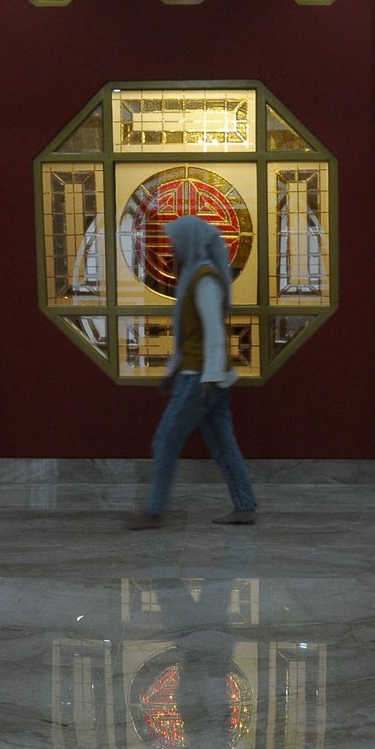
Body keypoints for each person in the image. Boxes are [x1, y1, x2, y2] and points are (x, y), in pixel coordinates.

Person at [127, 215, 258, 530]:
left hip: (200, 380)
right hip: (202, 376)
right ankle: (245, 506)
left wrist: (208, 379)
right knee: (223, 445)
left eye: (175, 240)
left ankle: (155, 510)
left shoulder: (205, 280)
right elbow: (191, 334)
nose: (173, 247)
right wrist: (173, 370)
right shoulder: (195, 276)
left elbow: (214, 332)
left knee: (165, 441)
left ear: (190, 241)